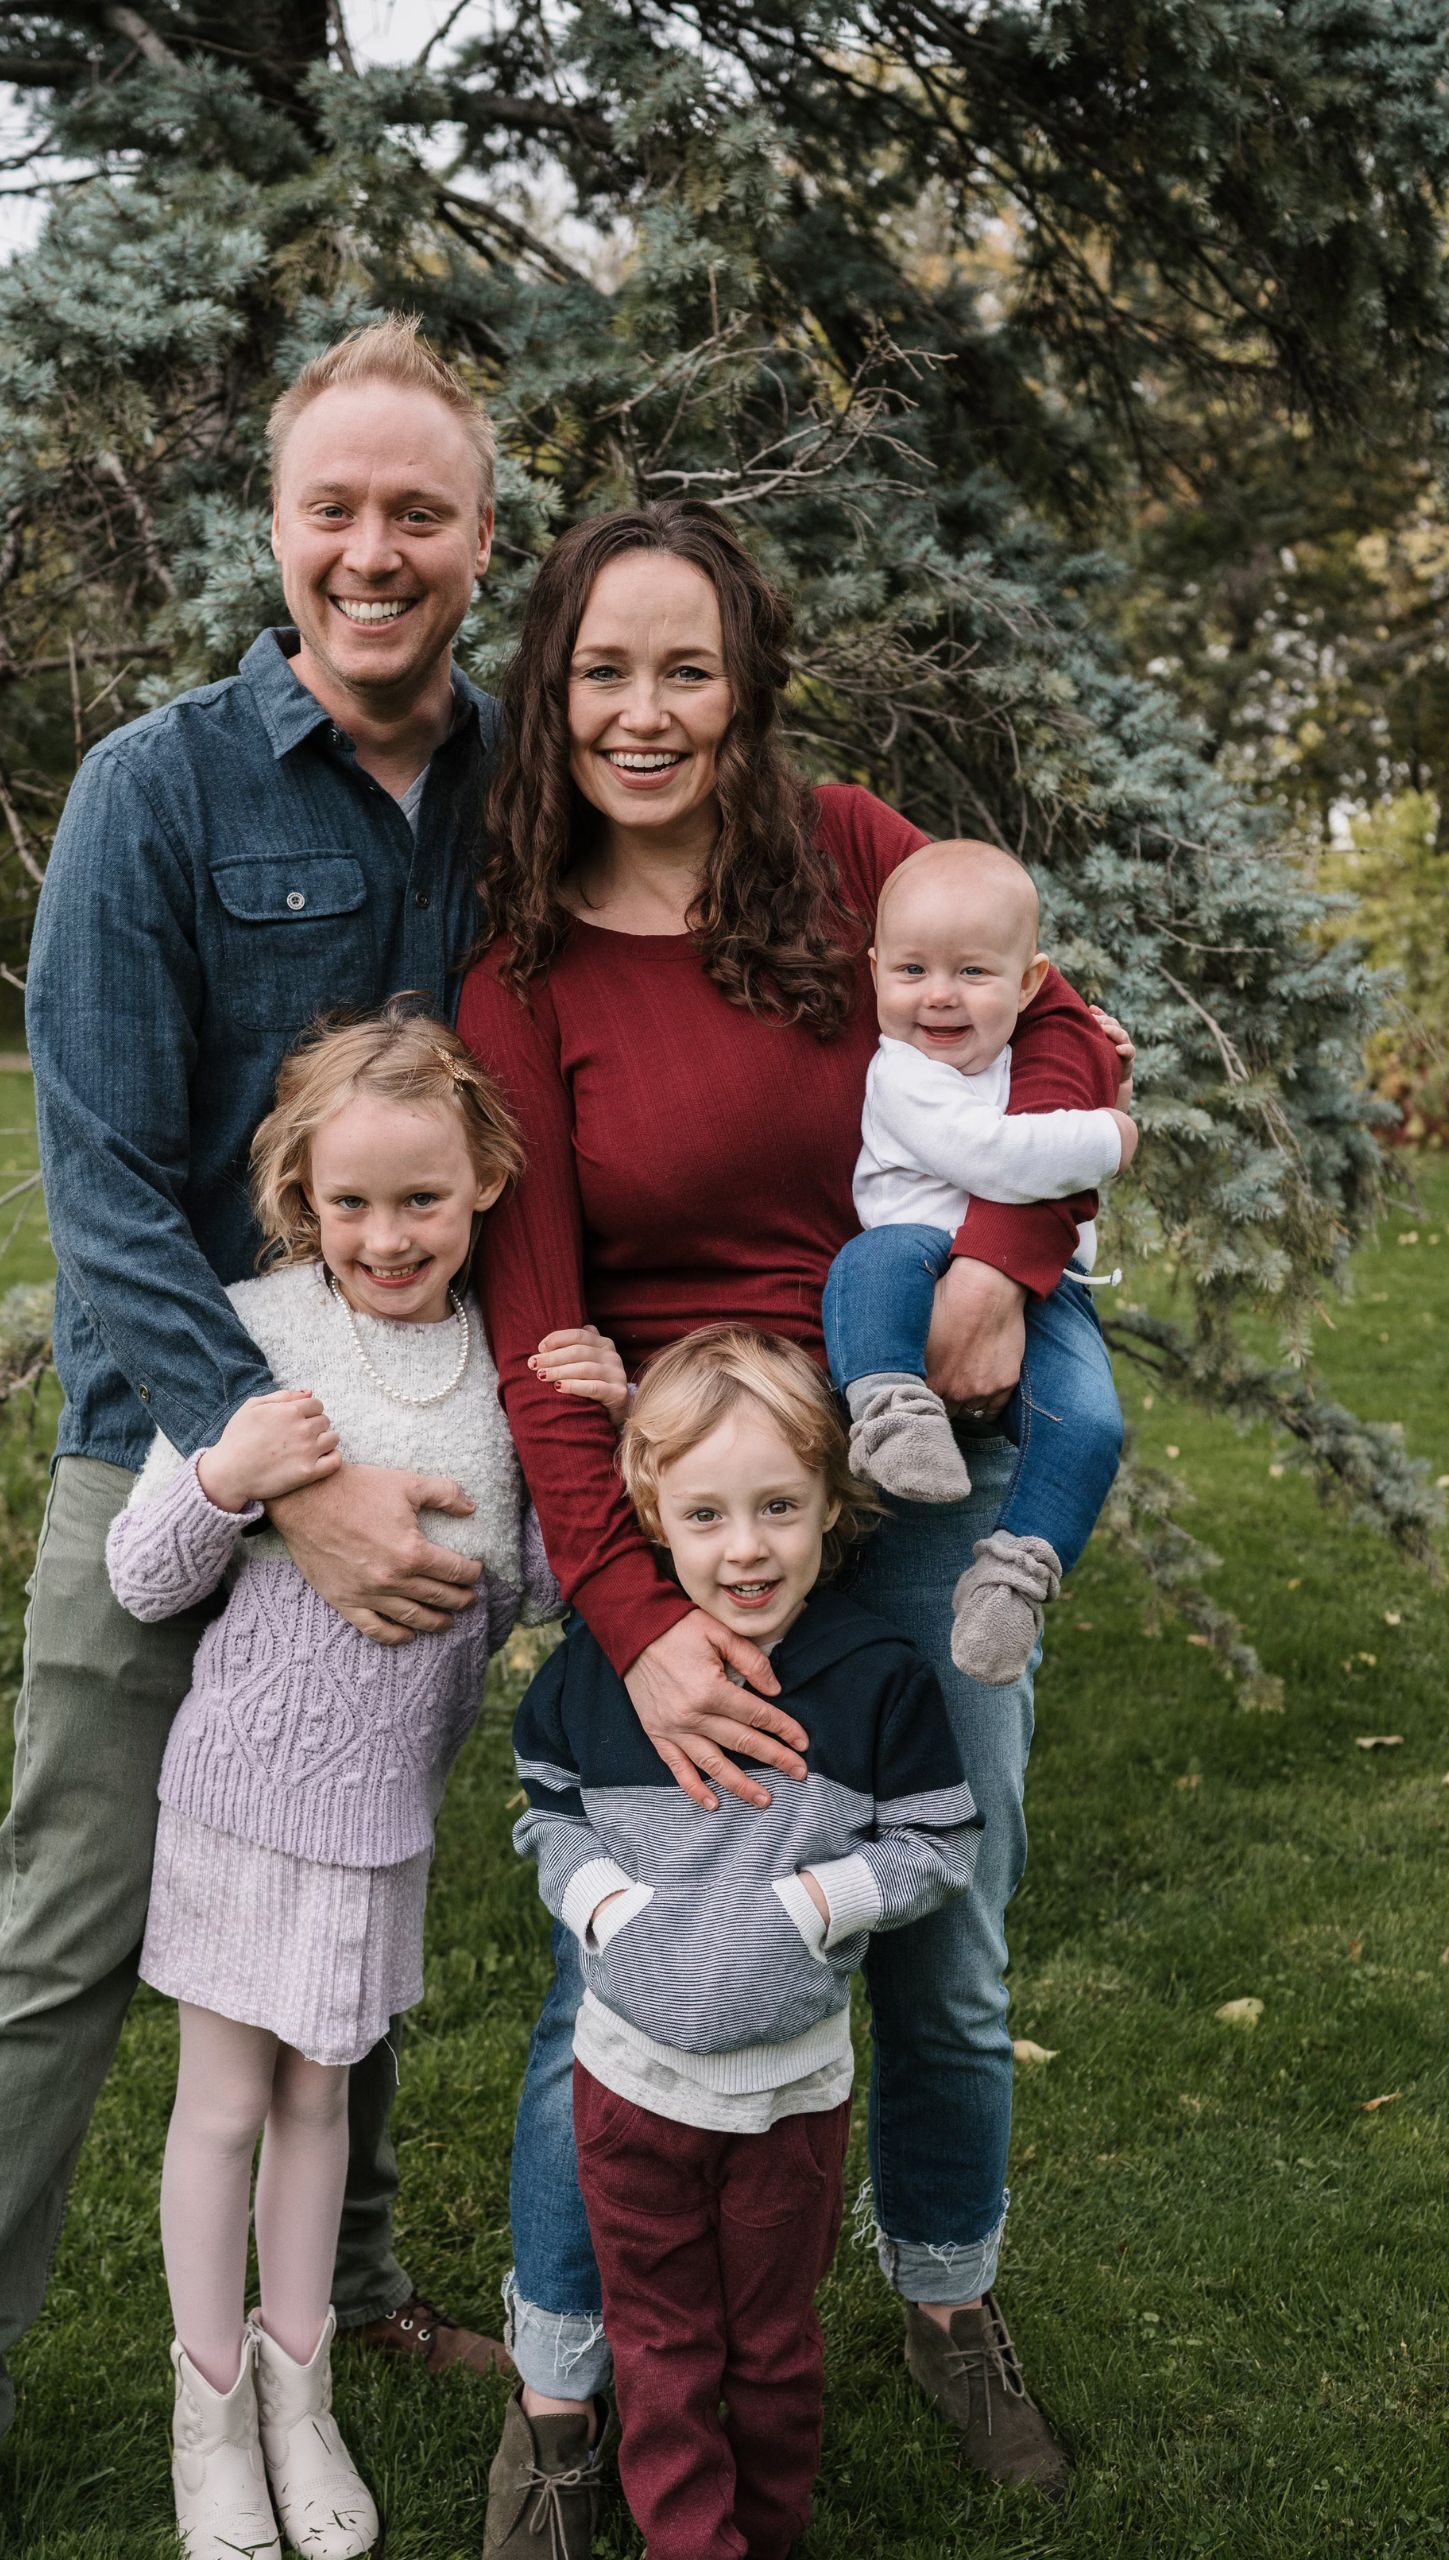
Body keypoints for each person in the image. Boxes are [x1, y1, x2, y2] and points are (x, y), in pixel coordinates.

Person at [0, 318, 514, 2560]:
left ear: (479, 541)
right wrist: (276, 1469)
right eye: (334, 505)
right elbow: (106, 1179)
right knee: (56, 1942)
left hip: (411, 1432)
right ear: (275, 525)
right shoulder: (161, 785)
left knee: (351, 1884)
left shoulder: (522, 782)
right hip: (165, 1461)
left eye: (416, 510)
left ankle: (371, 2291)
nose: (371, 548)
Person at [460, 498, 1123, 2556]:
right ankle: (560, 2401)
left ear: (742, 682)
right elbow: (532, 1316)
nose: (641, 712)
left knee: (942, 1918)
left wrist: (1004, 1253)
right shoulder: (520, 959)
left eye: (684, 666)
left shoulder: (843, 851)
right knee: (629, 1966)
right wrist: (634, 1610)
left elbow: (1050, 1026)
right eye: (599, 670)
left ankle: (944, 2292)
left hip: (914, 1460)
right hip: (699, 1509)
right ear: (547, 690)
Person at [107, 1004, 559, 2559]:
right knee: (226, 2107)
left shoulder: (501, 1364)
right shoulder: (264, 1336)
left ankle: (302, 2403)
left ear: (485, 1181)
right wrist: (233, 1472)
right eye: (350, 1201)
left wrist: (595, 1416)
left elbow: (541, 1583)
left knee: (321, 2107)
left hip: (381, 1821)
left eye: (420, 1198)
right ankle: (210, 2417)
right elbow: (146, 1572)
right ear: (299, 1194)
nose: (387, 1234)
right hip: (238, 1800)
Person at [511, 1326, 980, 2560]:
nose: (746, 1546)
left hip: (790, 2100)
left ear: (833, 1502)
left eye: (779, 1505)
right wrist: (605, 1906)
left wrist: (812, 1905)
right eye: (707, 1512)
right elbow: (545, 1805)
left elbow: (937, 1844)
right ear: (651, 1511)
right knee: (660, 2348)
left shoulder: (873, 1675)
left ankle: (768, 2529)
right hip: (624, 2094)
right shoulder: (600, 1673)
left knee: (770, 2348)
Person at [822, 837, 1137, 1683]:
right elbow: (992, 1155)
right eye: (913, 971)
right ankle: (891, 1408)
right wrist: (1108, 1131)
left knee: (1092, 1420)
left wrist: (1102, 1075)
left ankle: (1014, 1575)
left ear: (1031, 984)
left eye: (972, 974)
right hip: (917, 1261)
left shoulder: (1023, 1060)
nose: (938, 997)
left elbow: (1044, 1124)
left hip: (1041, 1292)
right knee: (868, 1264)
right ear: (876, 969)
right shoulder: (902, 1074)